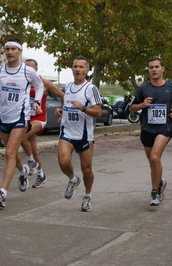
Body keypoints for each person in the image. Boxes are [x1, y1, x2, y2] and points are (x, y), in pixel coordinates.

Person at [0, 38, 44, 208]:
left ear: (20, 51)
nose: (9, 52)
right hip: (3, 117)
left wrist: (36, 101)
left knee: (10, 151)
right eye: (7, 49)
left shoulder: (27, 71)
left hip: (20, 117)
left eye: (13, 49)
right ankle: (23, 171)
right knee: (11, 153)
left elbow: (39, 86)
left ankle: (2, 193)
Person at [129, 57, 172, 206]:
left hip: (165, 127)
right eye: (151, 67)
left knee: (155, 158)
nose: (154, 69)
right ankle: (160, 181)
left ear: (163, 69)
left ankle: (155, 192)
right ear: (149, 70)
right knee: (152, 162)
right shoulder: (143, 88)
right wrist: (142, 104)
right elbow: (131, 108)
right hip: (147, 128)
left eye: (156, 67)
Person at [54, 56, 102, 212]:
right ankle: (73, 180)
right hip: (67, 132)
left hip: (84, 135)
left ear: (87, 70)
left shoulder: (90, 89)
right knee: (63, 161)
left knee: (86, 169)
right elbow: (66, 105)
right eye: (75, 66)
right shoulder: (68, 86)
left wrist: (83, 108)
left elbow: (98, 112)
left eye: (81, 67)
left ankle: (87, 196)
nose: (77, 69)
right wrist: (61, 112)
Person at [19, 59, 64, 188]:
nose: (28, 70)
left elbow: (62, 95)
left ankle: (31, 162)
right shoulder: (22, 82)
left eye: (31, 68)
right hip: (27, 117)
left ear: (36, 69)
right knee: (33, 151)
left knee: (22, 137)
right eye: (25, 67)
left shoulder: (43, 82)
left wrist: (63, 112)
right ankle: (41, 174)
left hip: (39, 119)